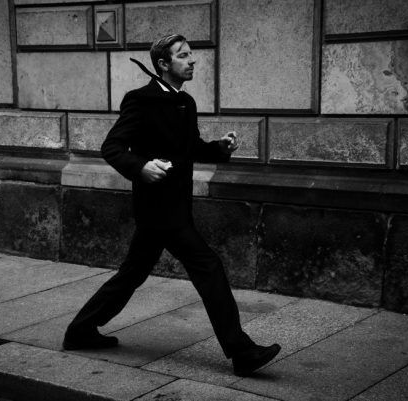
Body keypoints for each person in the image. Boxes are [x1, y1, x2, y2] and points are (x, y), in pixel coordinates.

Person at [63, 33, 281, 376]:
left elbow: (190, 148)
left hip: (175, 207)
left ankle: (80, 330)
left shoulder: (185, 102)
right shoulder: (140, 100)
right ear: (163, 64)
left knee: (131, 274)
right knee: (209, 268)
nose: (192, 60)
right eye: (183, 55)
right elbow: (112, 147)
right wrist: (141, 167)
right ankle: (241, 351)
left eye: (191, 54)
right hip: (159, 209)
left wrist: (219, 148)